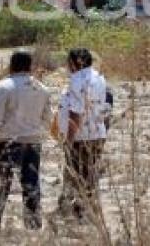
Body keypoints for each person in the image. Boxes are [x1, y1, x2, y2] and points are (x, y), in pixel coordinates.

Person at [0, 50, 52, 229]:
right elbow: (48, 118)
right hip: (33, 141)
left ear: (11, 65)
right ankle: (33, 223)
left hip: (8, 142)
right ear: (30, 66)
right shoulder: (42, 88)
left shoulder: (5, 86)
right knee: (31, 183)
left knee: (0, 182)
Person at [56, 48, 110, 222]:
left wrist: (69, 140)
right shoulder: (100, 77)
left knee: (78, 174)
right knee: (90, 174)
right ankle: (91, 211)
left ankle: (81, 214)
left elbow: (75, 114)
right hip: (97, 132)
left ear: (74, 63)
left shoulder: (77, 80)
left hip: (82, 136)